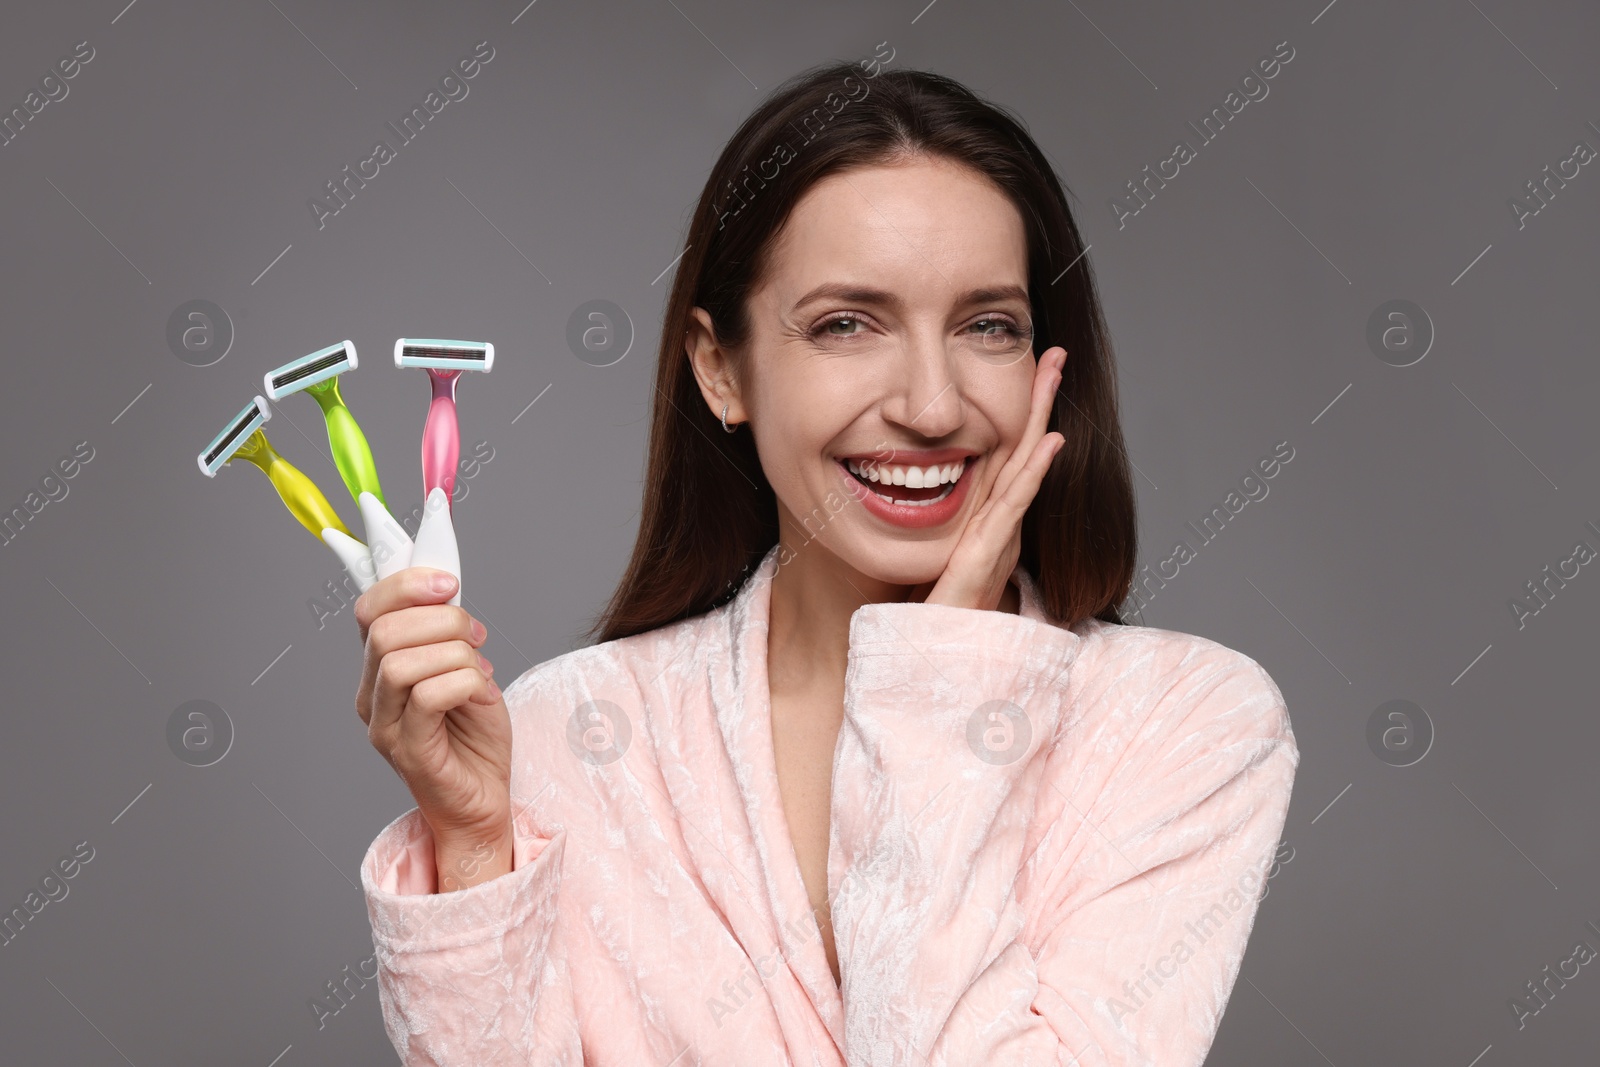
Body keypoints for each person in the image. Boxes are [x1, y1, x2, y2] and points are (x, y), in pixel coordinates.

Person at [351, 58, 1298, 1067]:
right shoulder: (568, 737)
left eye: (988, 326)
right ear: (721, 368)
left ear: (1044, 367)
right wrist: (477, 842)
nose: (931, 405)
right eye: (848, 323)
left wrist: (945, 677)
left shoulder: (1185, 722)